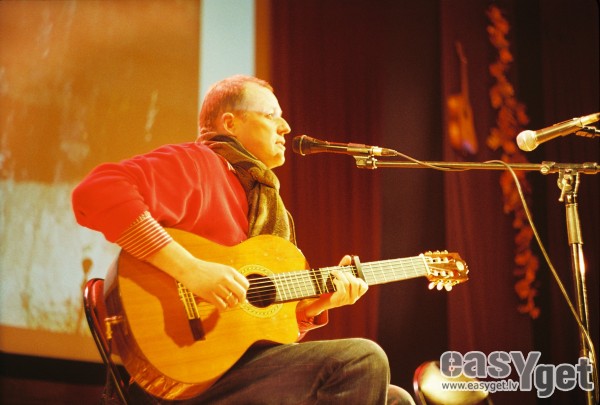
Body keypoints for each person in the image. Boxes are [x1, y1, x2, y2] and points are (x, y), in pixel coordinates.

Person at [72, 75, 415, 404]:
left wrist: (315, 306)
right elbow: (96, 191)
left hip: (235, 372)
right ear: (230, 123)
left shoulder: (271, 211)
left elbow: (258, 330)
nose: (286, 127)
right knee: (363, 359)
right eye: (271, 115)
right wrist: (191, 270)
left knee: (395, 398)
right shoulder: (198, 164)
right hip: (179, 379)